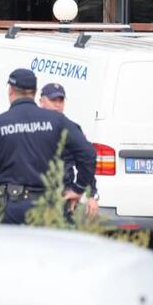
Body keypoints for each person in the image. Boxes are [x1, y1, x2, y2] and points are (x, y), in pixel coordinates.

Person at [0, 69, 96, 225]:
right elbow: (88, 154)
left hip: (11, 207)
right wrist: (79, 188)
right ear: (35, 92)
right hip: (50, 206)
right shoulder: (58, 122)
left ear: (10, 91)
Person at [39, 82, 100, 218]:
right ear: (41, 101)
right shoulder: (32, 125)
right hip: (35, 194)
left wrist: (90, 194)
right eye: (53, 100)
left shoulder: (72, 129)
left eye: (61, 100)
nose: (57, 104)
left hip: (62, 195)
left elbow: (86, 161)